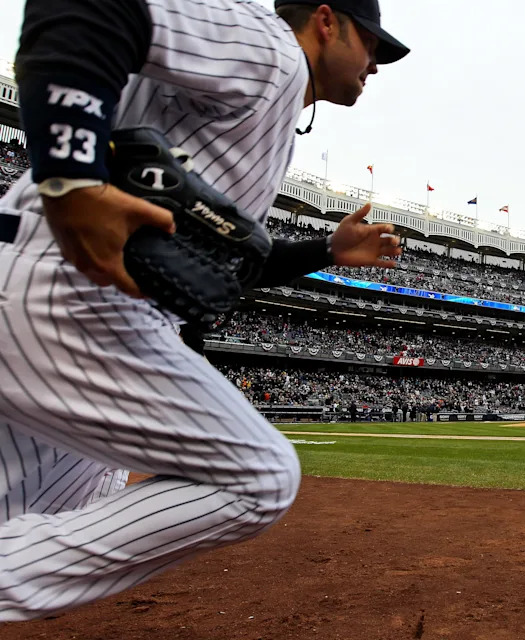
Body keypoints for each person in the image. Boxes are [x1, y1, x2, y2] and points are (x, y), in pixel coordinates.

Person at [0, 0, 407, 620]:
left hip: (50, 293)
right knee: (257, 477)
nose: (376, 64)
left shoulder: (263, 113)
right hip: (72, 297)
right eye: (371, 42)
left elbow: (212, 269)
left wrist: (326, 250)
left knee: (54, 504)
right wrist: (72, 181)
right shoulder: (272, 54)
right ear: (326, 21)